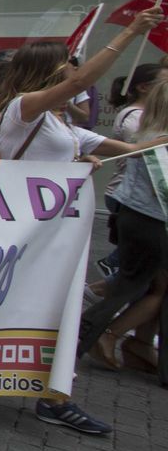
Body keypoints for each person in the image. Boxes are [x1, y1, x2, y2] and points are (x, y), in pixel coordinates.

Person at [0, 8, 164, 434]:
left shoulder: (64, 128)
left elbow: (134, 148)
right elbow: (82, 81)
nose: (77, 77)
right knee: (0, 305)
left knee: (56, 310)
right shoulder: (22, 109)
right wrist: (130, 33)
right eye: (67, 68)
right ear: (49, 75)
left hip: (54, 236)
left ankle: (55, 394)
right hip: (16, 230)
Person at [75, 79, 168, 380]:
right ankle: (102, 332)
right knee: (140, 284)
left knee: (146, 283)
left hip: (136, 216)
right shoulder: (161, 142)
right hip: (150, 220)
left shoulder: (150, 133)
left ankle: (131, 342)